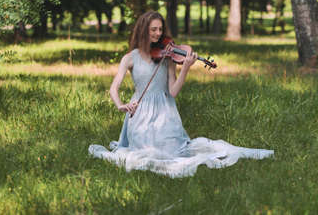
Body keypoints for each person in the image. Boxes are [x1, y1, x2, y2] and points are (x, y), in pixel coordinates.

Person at [89, 11, 274, 178]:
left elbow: (173, 92)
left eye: (160, 29)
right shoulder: (130, 58)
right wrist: (120, 105)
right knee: (148, 152)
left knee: (172, 151)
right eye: (153, 29)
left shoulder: (168, 57)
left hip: (166, 113)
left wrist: (185, 68)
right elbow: (114, 88)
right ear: (143, 30)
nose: (158, 34)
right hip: (140, 114)